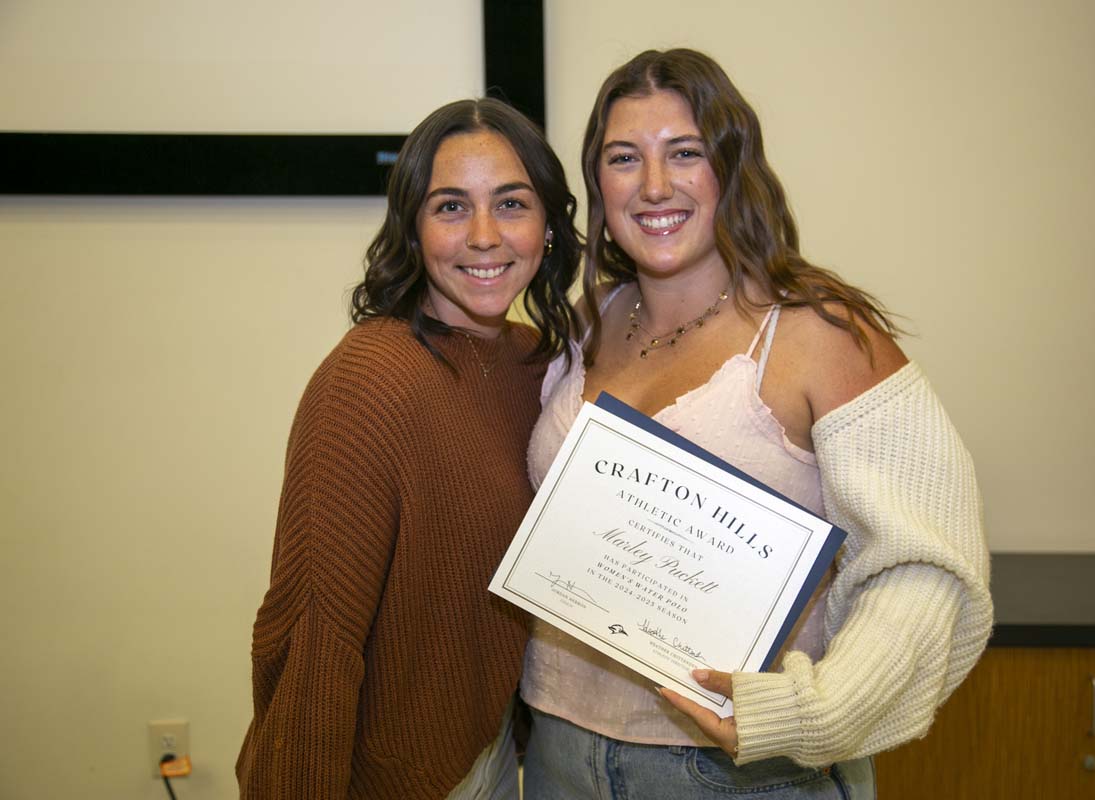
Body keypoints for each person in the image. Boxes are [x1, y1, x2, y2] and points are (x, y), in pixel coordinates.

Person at [519, 49, 992, 798]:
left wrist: (816, 714)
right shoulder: (586, 322)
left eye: (685, 153)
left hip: (739, 774)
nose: (654, 186)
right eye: (623, 158)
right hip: (556, 754)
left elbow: (923, 564)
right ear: (597, 185)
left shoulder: (821, 336)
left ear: (731, 168)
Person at [235, 98, 580, 800]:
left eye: (512, 203)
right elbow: (314, 633)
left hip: (491, 761)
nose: (485, 236)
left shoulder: (537, 368)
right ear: (413, 229)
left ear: (547, 226)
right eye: (451, 208)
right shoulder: (368, 381)